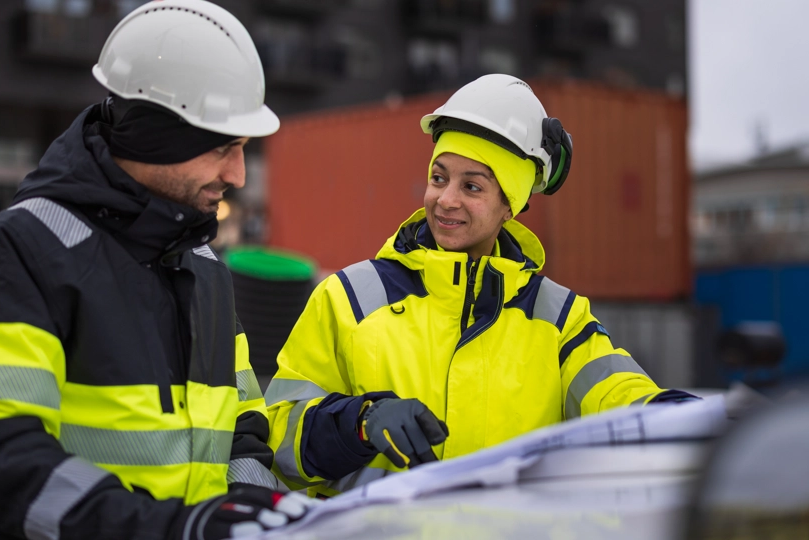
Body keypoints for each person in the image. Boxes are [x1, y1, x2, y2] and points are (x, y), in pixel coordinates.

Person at [0, 2, 317, 539]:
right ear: (157, 136)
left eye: (244, 149)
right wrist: (175, 528)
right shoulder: (12, 255)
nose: (238, 175)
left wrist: (255, 514)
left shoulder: (205, 271)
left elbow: (241, 430)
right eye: (224, 149)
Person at [265, 74, 696, 497]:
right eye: (439, 178)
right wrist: (359, 423)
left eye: (472, 186)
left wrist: (686, 418)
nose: (445, 199)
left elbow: (617, 394)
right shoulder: (348, 299)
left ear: (510, 204)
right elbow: (279, 439)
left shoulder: (560, 321)